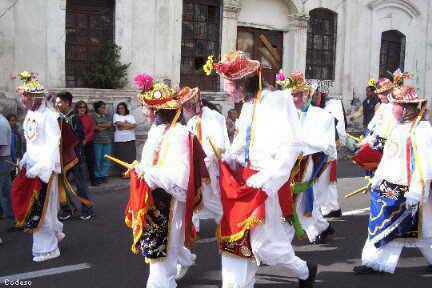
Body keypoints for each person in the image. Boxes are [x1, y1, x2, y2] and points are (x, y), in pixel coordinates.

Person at [209, 51, 316, 288]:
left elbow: (291, 145)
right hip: (243, 182)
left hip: (264, 182)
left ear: (244, 81)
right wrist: (226, 158)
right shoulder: (248, 106)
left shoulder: (277, 101)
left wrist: (268, 178)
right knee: (235, 240)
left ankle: (304, 270)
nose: (230, 90)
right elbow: (242, 144)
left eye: (232, 83)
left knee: (264, 245)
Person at [123, 73, 204, 288]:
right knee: (163, 246)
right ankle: (183, 259)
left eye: (148, 108)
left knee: (160, 252)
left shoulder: (178, 134)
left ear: (159, 111)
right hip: (153, 196)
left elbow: (179, 175)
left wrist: (147, 173)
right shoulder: (157, 131)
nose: (144, 111)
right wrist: (141, 170)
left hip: (167, 199)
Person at [353, 85, 432, 274]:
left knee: (426, 229)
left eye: (397, 104)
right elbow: (388, 157)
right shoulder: (397, 127)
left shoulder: (422, 129)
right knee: (381, 224)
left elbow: (425, 163)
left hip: (410, 189)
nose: (392, 107)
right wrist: (377, 179)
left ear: (407, 107)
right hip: (388, 187)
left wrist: (416, 191)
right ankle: (373, 261)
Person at [11, 71, 64, 262]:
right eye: (23, 95)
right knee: (37, 209)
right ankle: (52, 238)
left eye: (26, 95)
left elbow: (52, 144)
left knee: (41, 210)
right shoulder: (30, 114)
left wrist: (41, 167)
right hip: (32, 167)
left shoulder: (49, 116)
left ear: (36, 97)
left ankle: (49, 249)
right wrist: (26, 157)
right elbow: (33, 142)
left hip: (44, 170)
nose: (23, 99)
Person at [281, 71, 336, 244]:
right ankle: (322, 226)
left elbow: (325, 145)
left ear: (307, 95)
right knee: (298, 199)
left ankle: (281, 244)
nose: (293, 99)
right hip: (287, 162)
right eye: (291, 95)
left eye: (297, 95)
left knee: (291, 199)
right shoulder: (287, 115)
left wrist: (299, 145)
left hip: (307, 163)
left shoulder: (323, 116)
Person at [180, 86, 229, 227]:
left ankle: (225, 222)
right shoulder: (192, 120)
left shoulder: (211, 117)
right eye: (184, 107)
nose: (185, 110)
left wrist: (206, 161)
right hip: (195, 165)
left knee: (209, 196)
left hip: (207, 166)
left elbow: (217, 144)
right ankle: (193, 225)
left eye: (187, 106)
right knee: (194, 195)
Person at [55, 92, 94, 221]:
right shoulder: (57, 117)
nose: (57, 104)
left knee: (80, 185)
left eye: (59, 102)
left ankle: (87, 209)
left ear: (67, 103)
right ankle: (67, 208)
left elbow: (79, 137)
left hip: (75, 157)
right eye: (56, 102)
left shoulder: (74, 118)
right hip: (61, 157)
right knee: (62, 185)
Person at [75, 101, 98, 186]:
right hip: (77, 143)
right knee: (76, 162)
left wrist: (85, 140)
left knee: (90, 161)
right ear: (77, 108)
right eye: (80, 107)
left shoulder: (89, 118)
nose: (82, 109)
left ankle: (93, 179)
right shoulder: (74, 118)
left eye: (84, 107)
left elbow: (91, 130)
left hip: (88, 142)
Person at [113, 102, 137, 177]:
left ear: (125, 108)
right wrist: (129, 125)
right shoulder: (116, 115)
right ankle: (123, 173)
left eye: (122, 108)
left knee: (131, 157)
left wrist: (124, 126)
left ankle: (131, 173)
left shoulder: (130, 116)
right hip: (120, 139)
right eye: (119, 108)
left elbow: (135, 125)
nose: (121, 110)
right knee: (121, 157)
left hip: (130, 138)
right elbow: (118, 124)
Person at [92, 101, 113, 184]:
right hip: (97, 141)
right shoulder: (93, 116)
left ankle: (104, 175)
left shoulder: (108, 116)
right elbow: (94, 127)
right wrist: (105, 125)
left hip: (107, 140)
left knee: (106, 159)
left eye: (104, 107)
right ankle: (97, 176)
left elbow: (110, 125)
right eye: (102, 107)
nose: (104, 109)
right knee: (97, 159)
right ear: (97, 108)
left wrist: (100, 125)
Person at [0, 112, 13, 221]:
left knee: (4, 190)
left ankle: (9, 214)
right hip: (3, 159)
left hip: (2, 159)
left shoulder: (1, 123)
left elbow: (1, 144)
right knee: (6, 190)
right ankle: (10, 214)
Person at [7, 113, 24, 179]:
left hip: (17, 158)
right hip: (10, 160)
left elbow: (20, 146)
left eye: (14, 120)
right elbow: (12, 148)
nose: (13, 122)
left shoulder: (17, 132)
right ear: (8, 121)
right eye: (12, 120)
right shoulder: (9, 133)